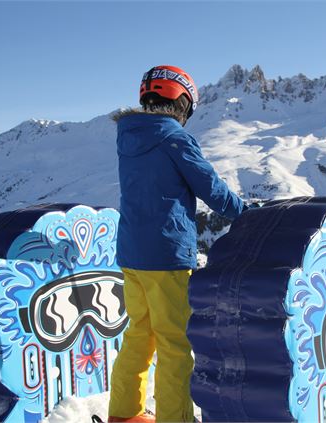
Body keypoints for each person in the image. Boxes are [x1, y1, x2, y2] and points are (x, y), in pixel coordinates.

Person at [107, 65, 247, 423]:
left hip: (131, 255)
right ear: (180, 99)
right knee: (174, 344)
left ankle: (125, 415)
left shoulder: (129, 136)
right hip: (166, 255)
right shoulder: (172, 137)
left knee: (139, 336)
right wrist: (245, 213)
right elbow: (209, 186)